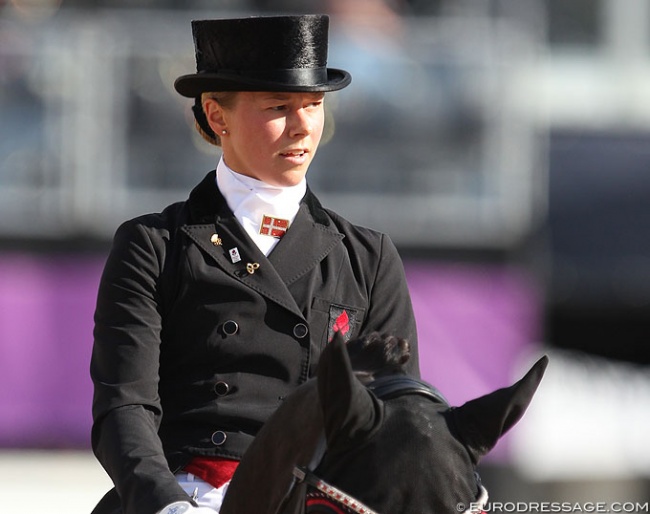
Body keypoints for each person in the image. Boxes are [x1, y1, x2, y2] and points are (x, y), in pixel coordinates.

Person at [90, 14, 419, 514]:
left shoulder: (369, 258)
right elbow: (124, 406)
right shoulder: (154, 245)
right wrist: (168, 505)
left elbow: (396, 419)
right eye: (279, 107)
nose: (304, 125)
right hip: (183, 492)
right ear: (217, 116)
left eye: (314, 105)